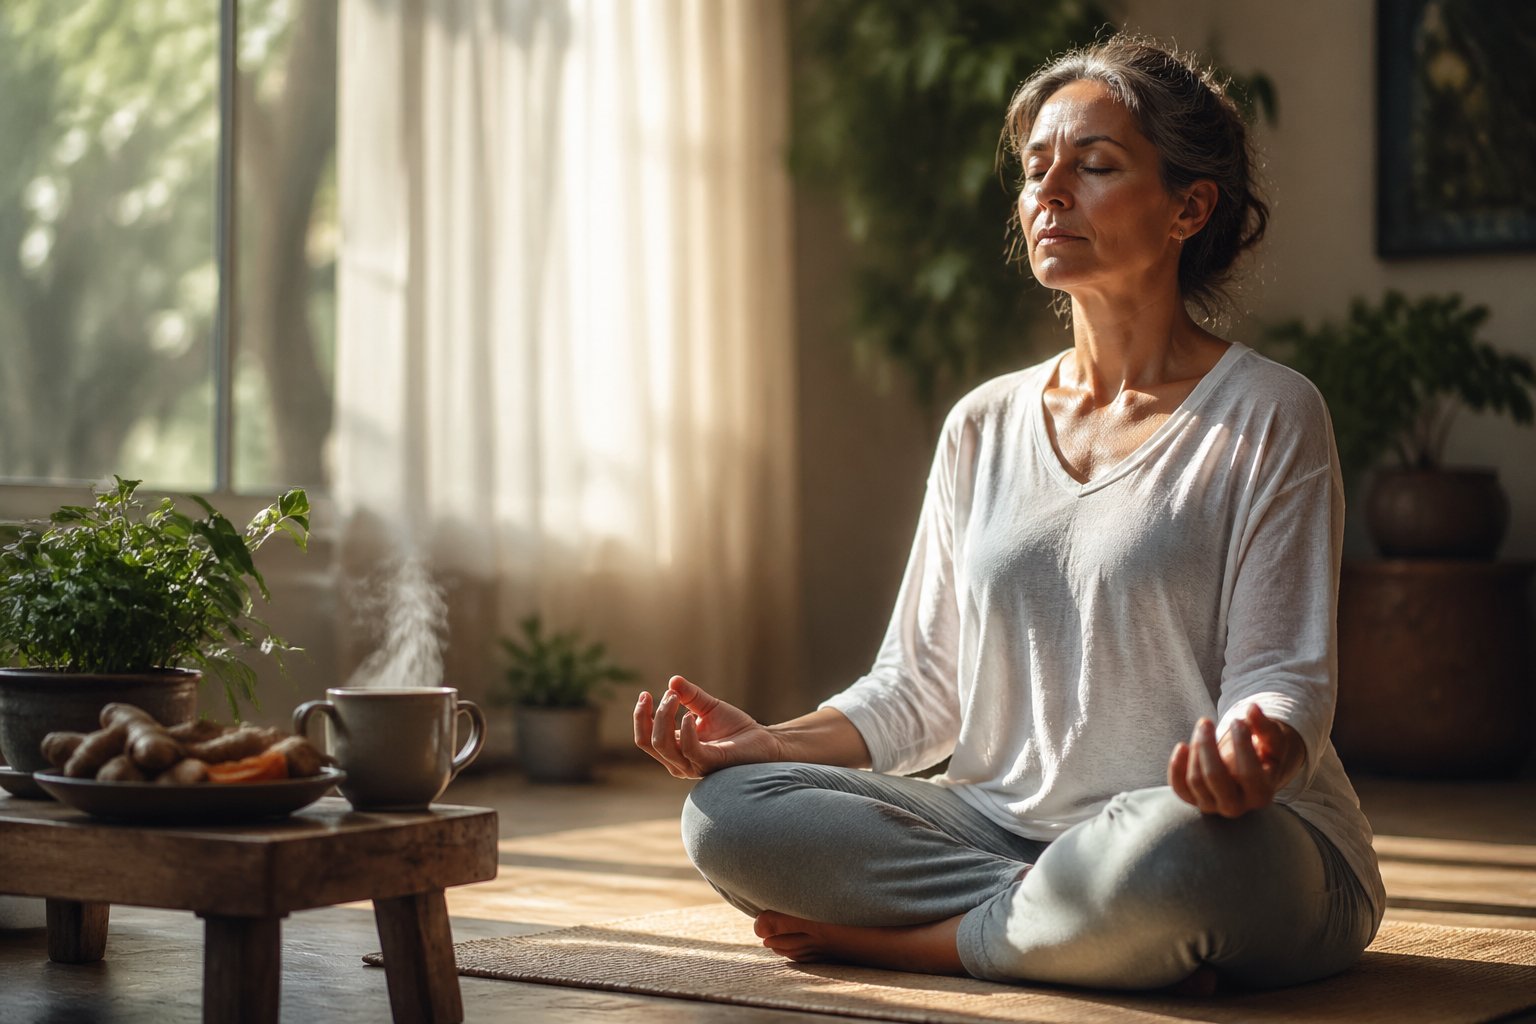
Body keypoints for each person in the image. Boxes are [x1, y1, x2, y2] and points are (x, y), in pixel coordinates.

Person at [633, 34, 1385, 994]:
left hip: (1218, 834)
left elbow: (1283, 684)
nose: (1049, 191)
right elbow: (920, 690)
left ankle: (934, 941)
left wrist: (1256, 753)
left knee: (1179, 859)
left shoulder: (1270, 414)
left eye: (1096, 165)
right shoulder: (982, 424)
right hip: (1002, 827)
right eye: (1036, 170)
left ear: (1188, 207)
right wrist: (771, 742)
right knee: (728, 814)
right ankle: (1078, 922)